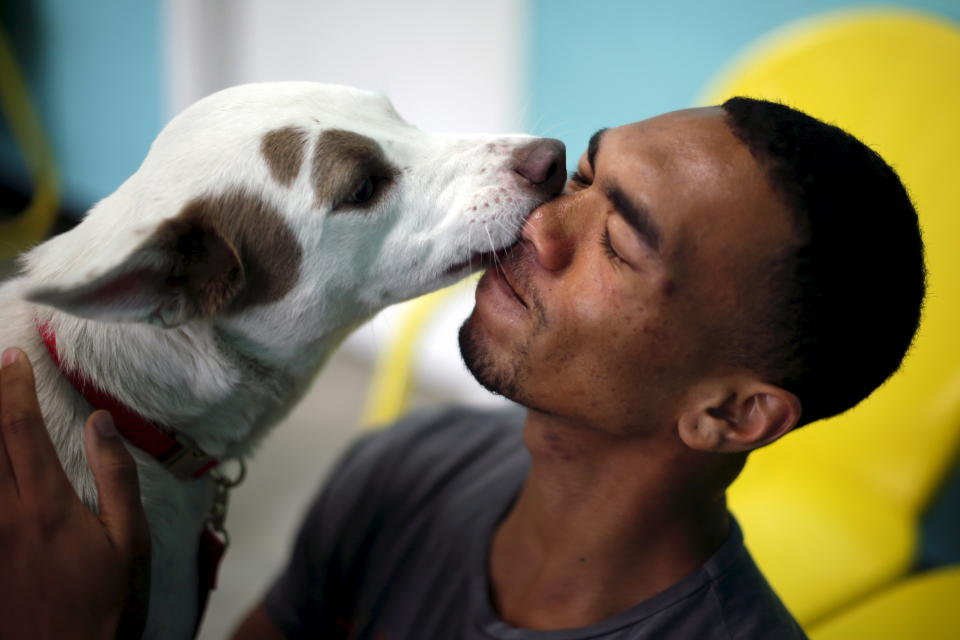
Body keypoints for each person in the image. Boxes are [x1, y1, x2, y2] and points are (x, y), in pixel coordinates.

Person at [0, 97, 925, 639]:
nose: (542, 217)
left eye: (620, 241)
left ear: (730, 415)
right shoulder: (405, 465)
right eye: (588, 174)